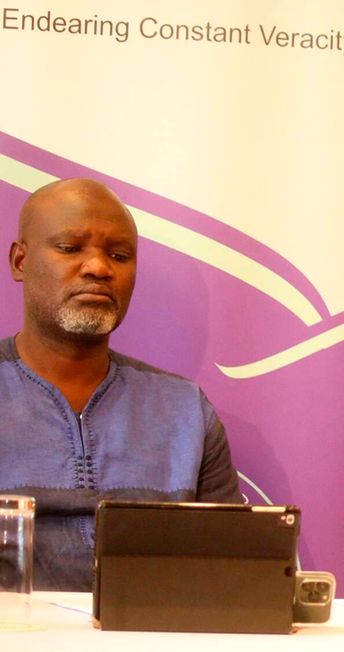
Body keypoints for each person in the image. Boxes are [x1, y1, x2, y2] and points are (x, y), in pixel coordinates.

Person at [1, 178, 242, 591]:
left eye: (119, 255)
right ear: (20, 262)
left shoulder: (185, 411)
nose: (99, 268)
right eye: (70, 248)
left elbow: (234, 571)